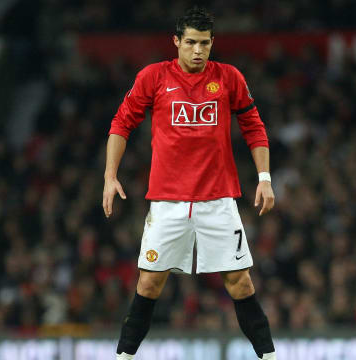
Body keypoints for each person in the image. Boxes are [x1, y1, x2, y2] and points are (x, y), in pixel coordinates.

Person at [102, 7, 277, 360]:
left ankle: (270, 357)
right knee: (149, 283)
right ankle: (122, 357)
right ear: (177, 42)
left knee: (240, 283)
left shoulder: (229, 78)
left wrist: (264, 178)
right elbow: (122, 123)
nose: (199, 51)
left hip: (218, 199)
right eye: (192, 43)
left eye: (205, 44)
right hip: (168, 201)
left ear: (213, 44)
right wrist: (109, 176)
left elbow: (254, 126)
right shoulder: (154, 77)